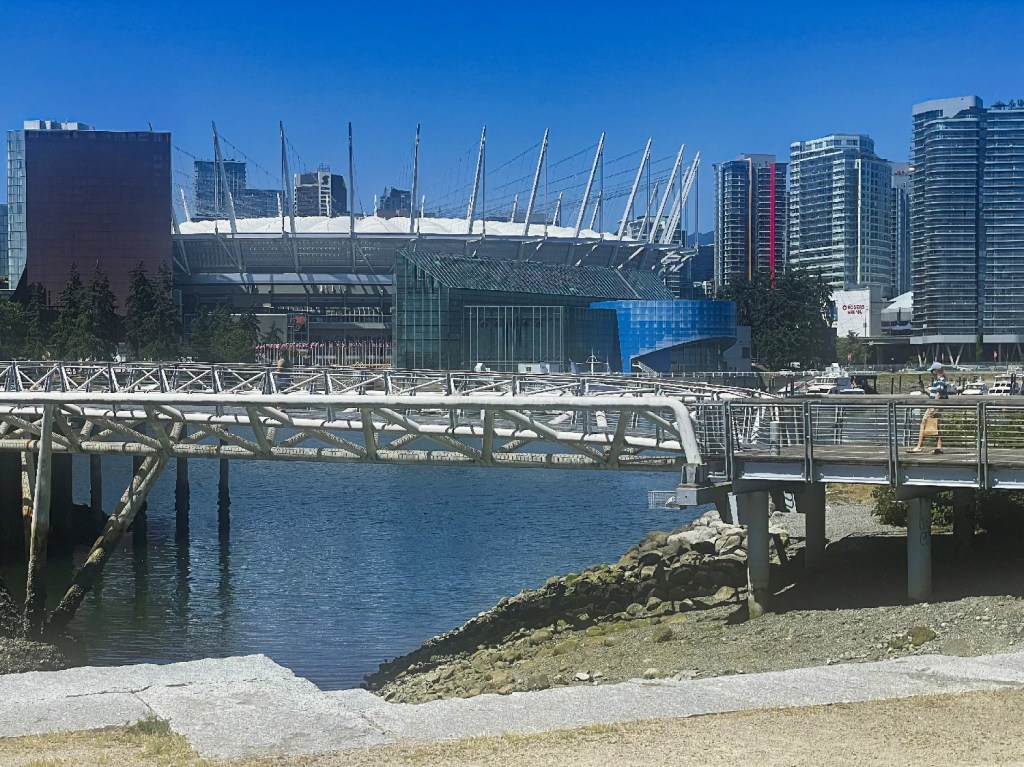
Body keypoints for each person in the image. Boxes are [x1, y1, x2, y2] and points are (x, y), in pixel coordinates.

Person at [910, 362, 950, 453]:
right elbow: (933, 394)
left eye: (933, 370)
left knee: (923, 424)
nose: (931, 372)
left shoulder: (940, 380)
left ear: (937, 371)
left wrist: (933, 407)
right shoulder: (937, 380)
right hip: (935, 405)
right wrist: (923, 389)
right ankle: (939, 447)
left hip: (934, 406)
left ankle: (919, 446)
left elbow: (939, 394)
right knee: (935, 426)